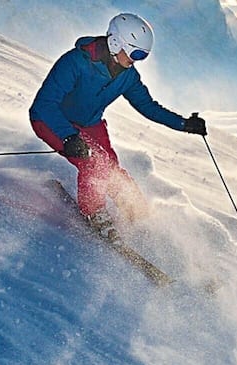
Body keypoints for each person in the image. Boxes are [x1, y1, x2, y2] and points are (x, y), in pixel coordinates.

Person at [29, 13, 208, 234]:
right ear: (116, 42)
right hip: (52, 120)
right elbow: (44, 105)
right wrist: (68, 136)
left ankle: (138, 213)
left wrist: (184, 124)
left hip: (89, 124)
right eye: (135, 53)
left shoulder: (127, 76)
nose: (136, 60)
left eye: (142, 56)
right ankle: (95, 214)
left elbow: (148, 106)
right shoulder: (75, 62)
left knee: (111, 167)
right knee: (93, 163)